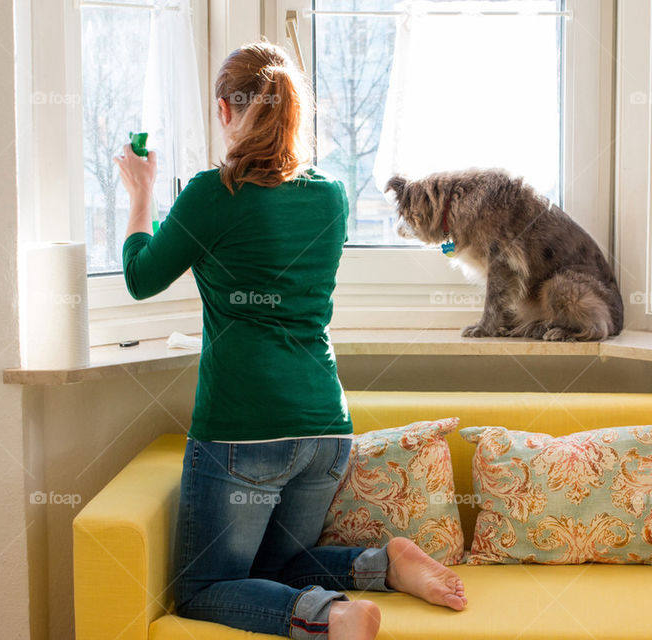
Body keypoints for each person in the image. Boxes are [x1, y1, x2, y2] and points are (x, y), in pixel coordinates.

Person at [113, 41, 466, 640]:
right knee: (273, 569)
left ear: (226, 111)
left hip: (245, 432)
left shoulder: (211, 193)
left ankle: (332, 615)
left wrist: (141, 192)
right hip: (324, 430)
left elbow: (141, 278)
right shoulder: (329, 196)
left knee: (202, 590)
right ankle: (381, 565)